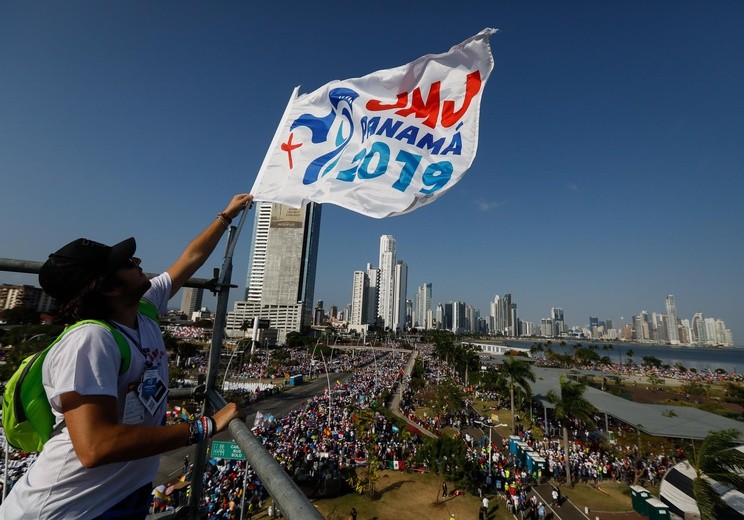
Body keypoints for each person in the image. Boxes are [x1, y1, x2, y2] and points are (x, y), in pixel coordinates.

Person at [0, 194, 253, 519]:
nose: (138, 261)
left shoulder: (143, 310)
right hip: (65, 509)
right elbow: (96, 446)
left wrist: (225, 216)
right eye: (126, 263)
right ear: (108, 288)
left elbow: (191, 258)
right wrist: (203, 426)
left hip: (114, 500)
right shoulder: (90, 340)